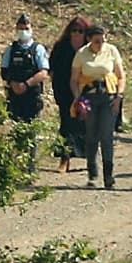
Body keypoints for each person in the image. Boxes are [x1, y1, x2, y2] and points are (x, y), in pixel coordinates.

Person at [70, 25, 126, 189]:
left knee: (107, 135)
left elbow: (121, 76)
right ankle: (92, 173)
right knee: (91, 134)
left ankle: (109, 175)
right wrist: (77, 98)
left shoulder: (111, 51)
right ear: (89, 39)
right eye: (96, 41)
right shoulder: (81, 54)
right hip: (89, 97)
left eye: (103, 40)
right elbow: (74, 79)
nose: (100, 44)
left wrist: (119, 96)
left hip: (108, 96)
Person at [0, 13, 50, 172]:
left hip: (32, 97)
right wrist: (13, 84)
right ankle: (16, 167)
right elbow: (4, 71)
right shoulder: (10, 49)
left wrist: (26, 85)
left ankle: (30, 168)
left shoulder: (38, 49)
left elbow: (43, 72)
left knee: (31, 132)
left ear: (31, 29)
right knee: (16, 131)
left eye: (26, 28)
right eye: (21, 28)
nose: (23, 31)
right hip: (15, 97)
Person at [49, 16, 91, 173]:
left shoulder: (89, 48)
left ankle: (90, 159)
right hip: (64, 91)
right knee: (66, 125)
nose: (77, 34)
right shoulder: (61, 47)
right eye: (74, 30)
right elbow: (52, 68)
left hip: (86, 91)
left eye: (80, 31)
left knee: (86, 126)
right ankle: (64, 159)